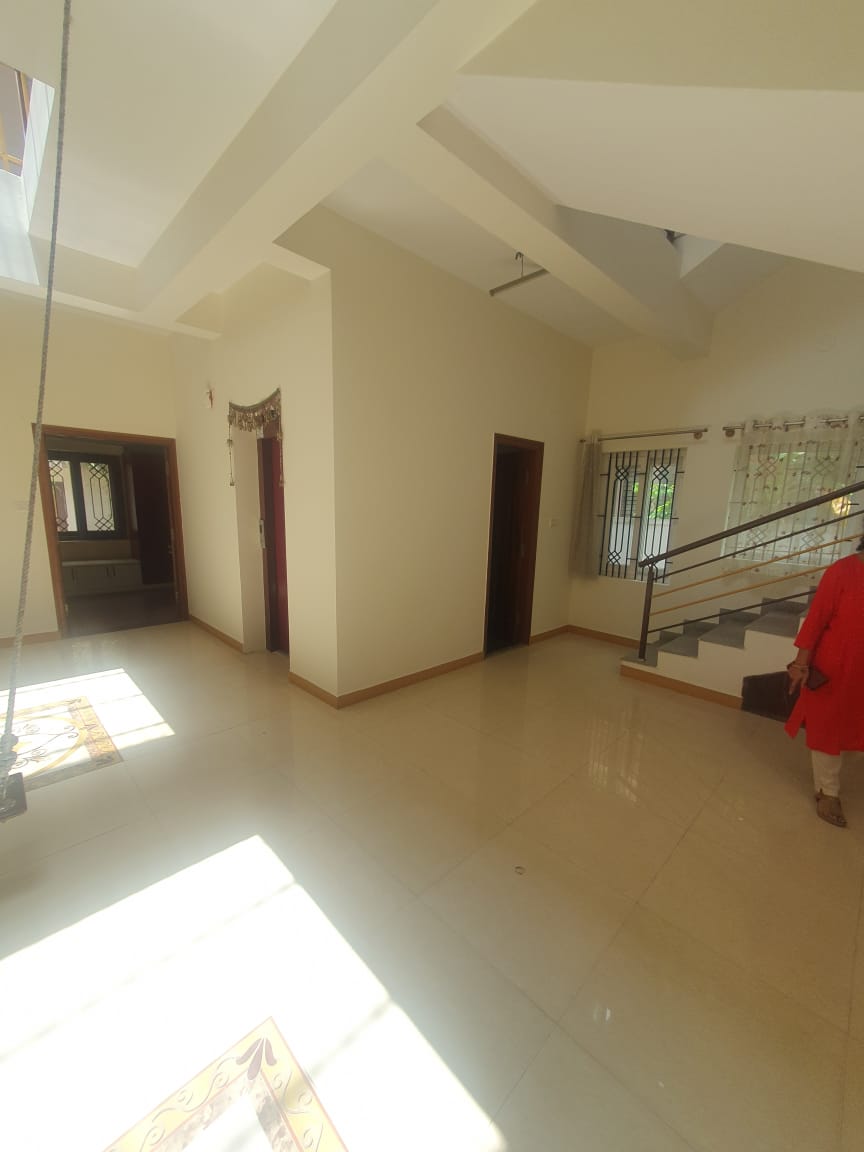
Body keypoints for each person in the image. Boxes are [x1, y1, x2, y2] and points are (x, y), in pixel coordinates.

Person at [786, 534, 864, 827]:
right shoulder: (842, 571)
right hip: (837, 668)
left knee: (855, 728)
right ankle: (827, 791)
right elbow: (816, 620)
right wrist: (800, 664)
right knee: (829, 728)